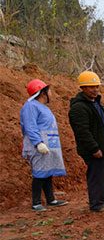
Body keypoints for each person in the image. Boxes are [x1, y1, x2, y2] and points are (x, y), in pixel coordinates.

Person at [68, 71, 104, 212]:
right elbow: (82, 131)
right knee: (97, 177)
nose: (95, 89)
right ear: (82, 88)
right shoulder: (79, 108)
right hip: (94, 150)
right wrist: (94, 148)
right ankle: (96, 204)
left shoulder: (97, 104)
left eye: (96, 86)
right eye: (91, 87)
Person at [20, 79, 69, 212]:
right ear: (42, 93)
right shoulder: (30, 106)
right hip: (39, 144)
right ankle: (36, 203)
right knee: (39, 173)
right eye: (49, 91)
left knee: (47, 172)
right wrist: (38, 143)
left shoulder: (43, 107)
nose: (51, 94)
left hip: (49, 143)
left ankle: (51, 199)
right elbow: (30, 126)